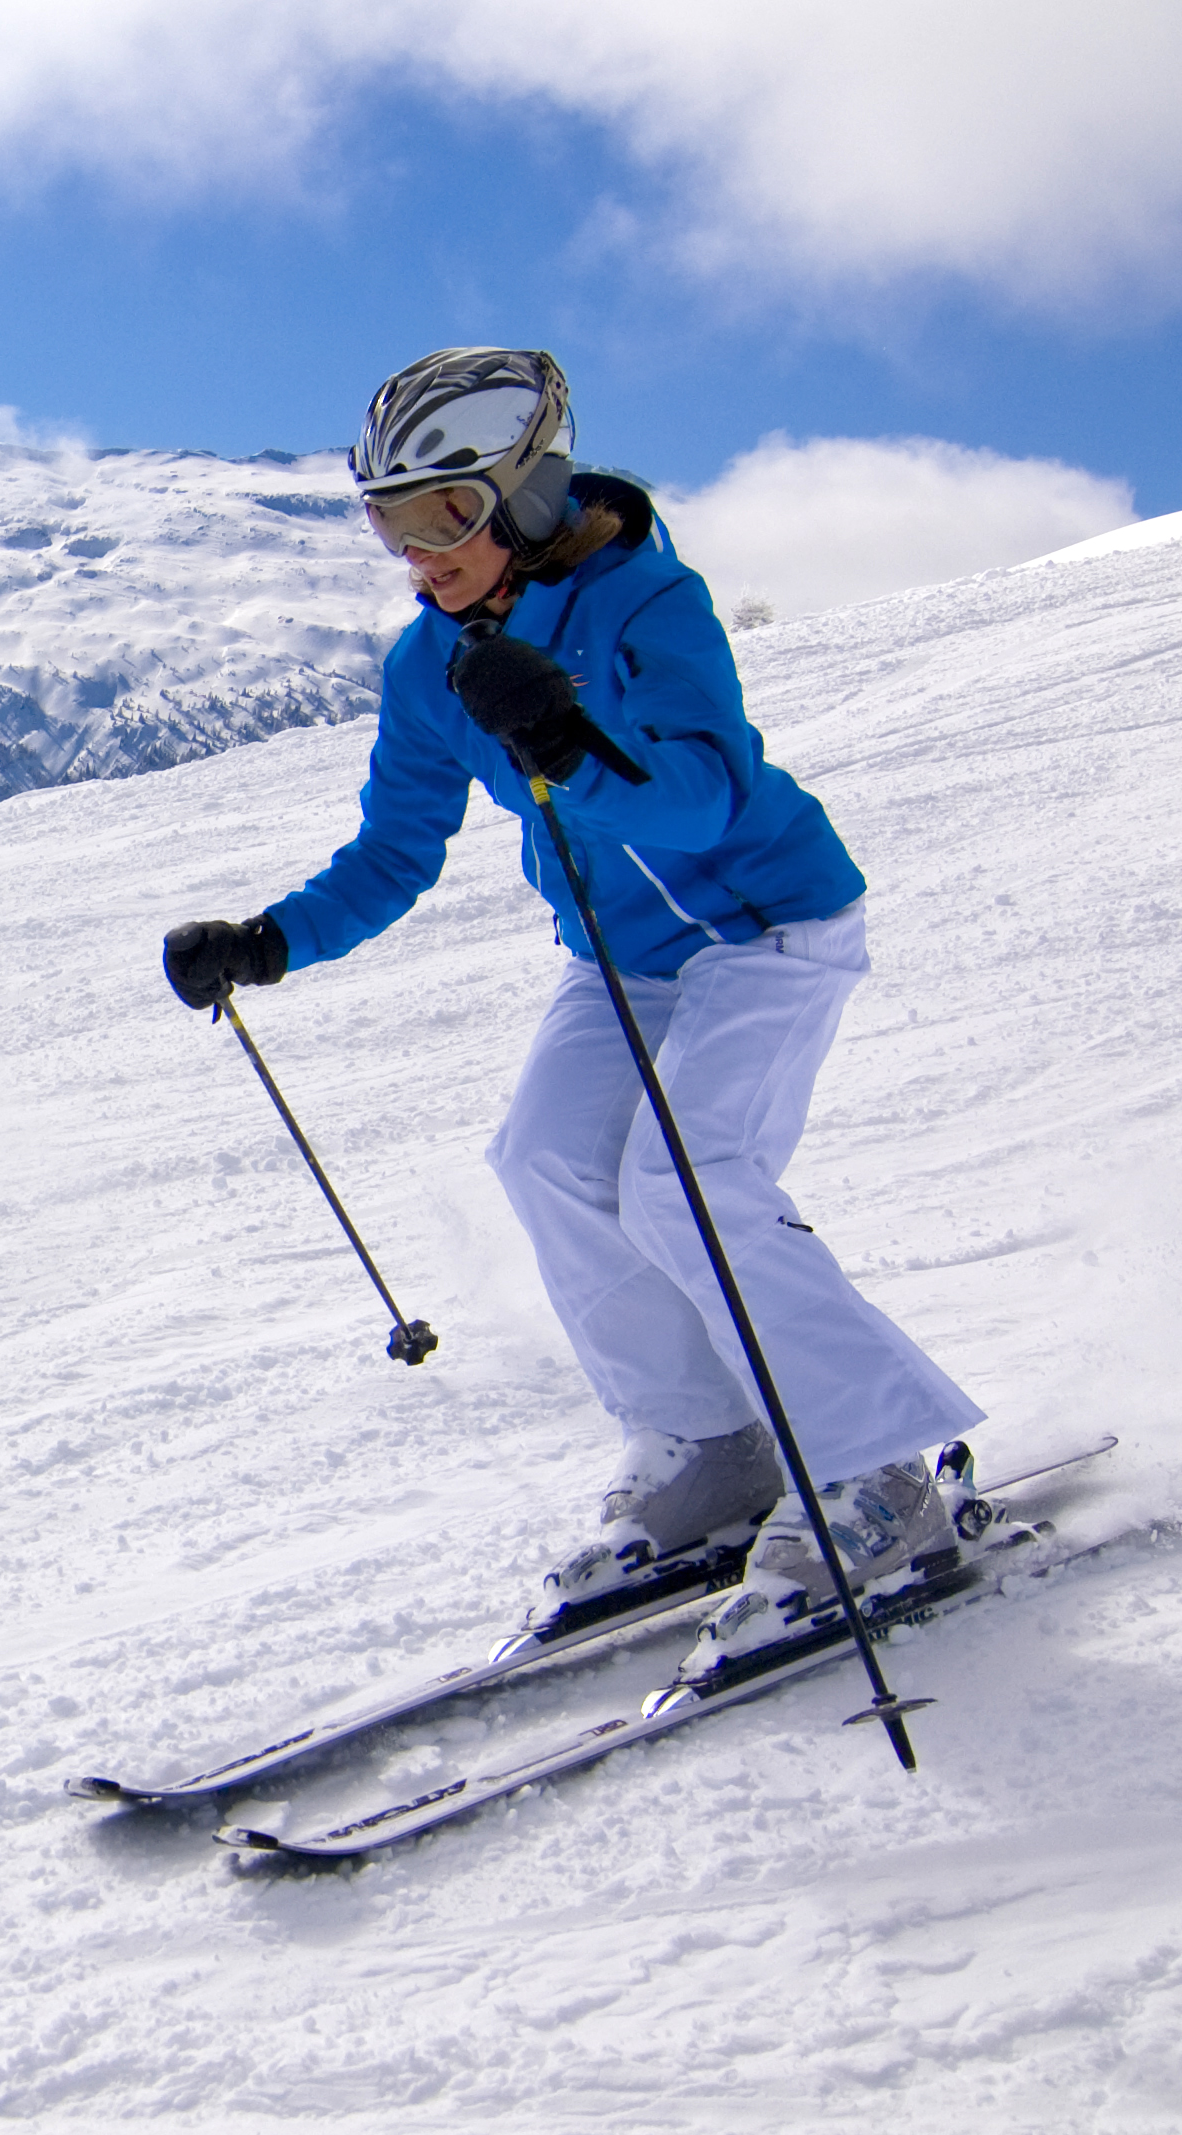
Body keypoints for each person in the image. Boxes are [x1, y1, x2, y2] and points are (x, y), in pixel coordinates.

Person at [159, 347, 984, 1699]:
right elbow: (395, 850)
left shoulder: (648, 602)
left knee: (688, 1182)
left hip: (768, 929)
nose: (419, 556)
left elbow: (704, 802)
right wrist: (271, 939)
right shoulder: (430, 666)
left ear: (530, 491)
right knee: (542, 1162)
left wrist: (562, 736)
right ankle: (710, 1449)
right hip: (624, 959)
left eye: (444, 516)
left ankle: (880, 1474)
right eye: (391, 525)